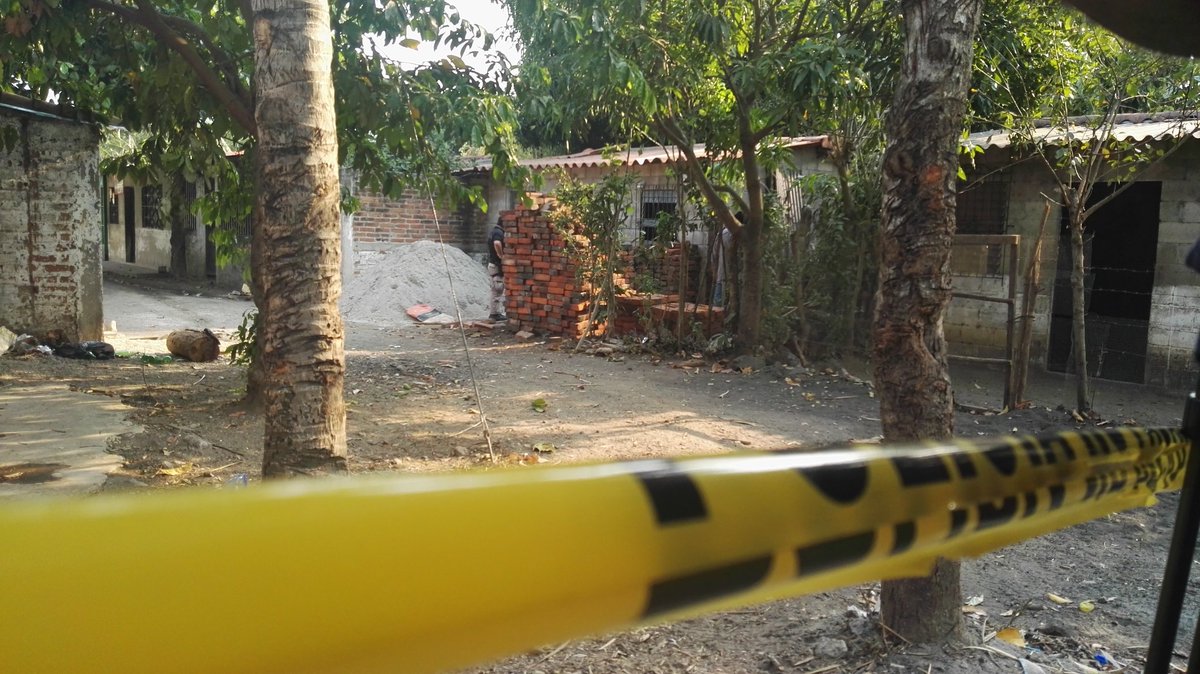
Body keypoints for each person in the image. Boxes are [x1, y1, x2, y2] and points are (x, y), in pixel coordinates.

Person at [488, 221, 507, 322]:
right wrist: (501, 256)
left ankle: (496, 313)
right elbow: (497, 243)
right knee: (497, 290)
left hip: (493, 265)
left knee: (496, 290)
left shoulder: (494, 231)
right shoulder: (498, 232)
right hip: (496, 265)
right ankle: (494, 314)